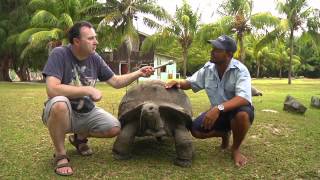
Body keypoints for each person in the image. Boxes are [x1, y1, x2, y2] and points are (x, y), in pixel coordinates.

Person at [42, 21, 154, 176]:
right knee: (59, 103)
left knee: (114, 128)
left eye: (95, 37)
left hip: (86, 112)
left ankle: (79, 137)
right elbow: (52, 89)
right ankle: (61, 155)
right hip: (62, 112)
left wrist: (139, 73)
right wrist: (88, 89)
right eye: (91, 38)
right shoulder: (59, 54)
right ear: (76, 41)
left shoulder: (94, 58)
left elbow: (115, 81)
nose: (96, 41)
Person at [165, 35, 254, 167]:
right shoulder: (208, 69)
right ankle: (224, 133)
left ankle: (235, 149)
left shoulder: (240, 70)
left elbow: (244, 98)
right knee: (195, 130)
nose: (212, 52)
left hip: (236, 110)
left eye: (217, 50)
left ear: (229, 54)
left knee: (242, 115)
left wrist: (218, 108)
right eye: (213, 48)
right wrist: (177, 82)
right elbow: (190, 83)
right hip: (218, 112)